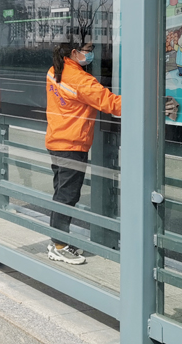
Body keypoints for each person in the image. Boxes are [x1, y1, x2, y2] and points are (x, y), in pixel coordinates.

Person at [44, 42, 122, 265]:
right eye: (87, 50)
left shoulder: (55, 70)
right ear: (74, 52)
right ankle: (58, 245)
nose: (90, 54)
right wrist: (150, 103)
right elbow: (111, 103)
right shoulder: (80, 79)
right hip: (72, 144)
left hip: (57, 139)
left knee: (61, 193)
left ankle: (58, 240)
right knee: (67, 196)